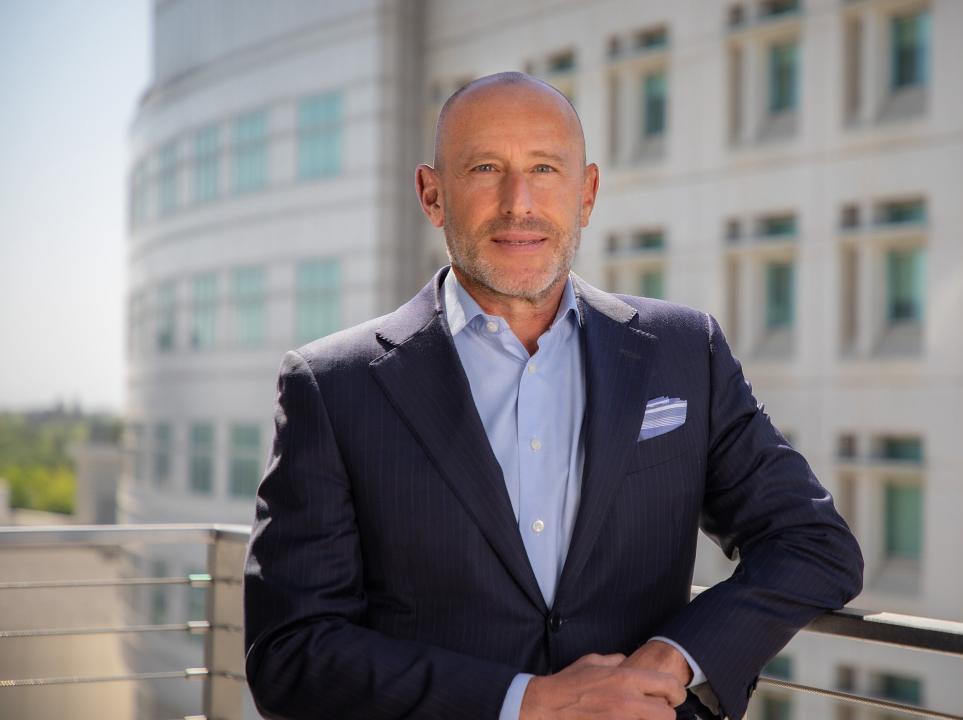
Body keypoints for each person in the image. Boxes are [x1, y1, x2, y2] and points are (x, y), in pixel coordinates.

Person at [243, 71, 863, 720]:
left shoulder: (684, 351)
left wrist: (675, 655)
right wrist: (526, 703)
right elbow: (292, 653)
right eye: (485, 168)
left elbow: (812, 543)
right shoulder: (334, 386)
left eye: (545, 168)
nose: (519, 202)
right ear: (432, 194)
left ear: (587, 192)